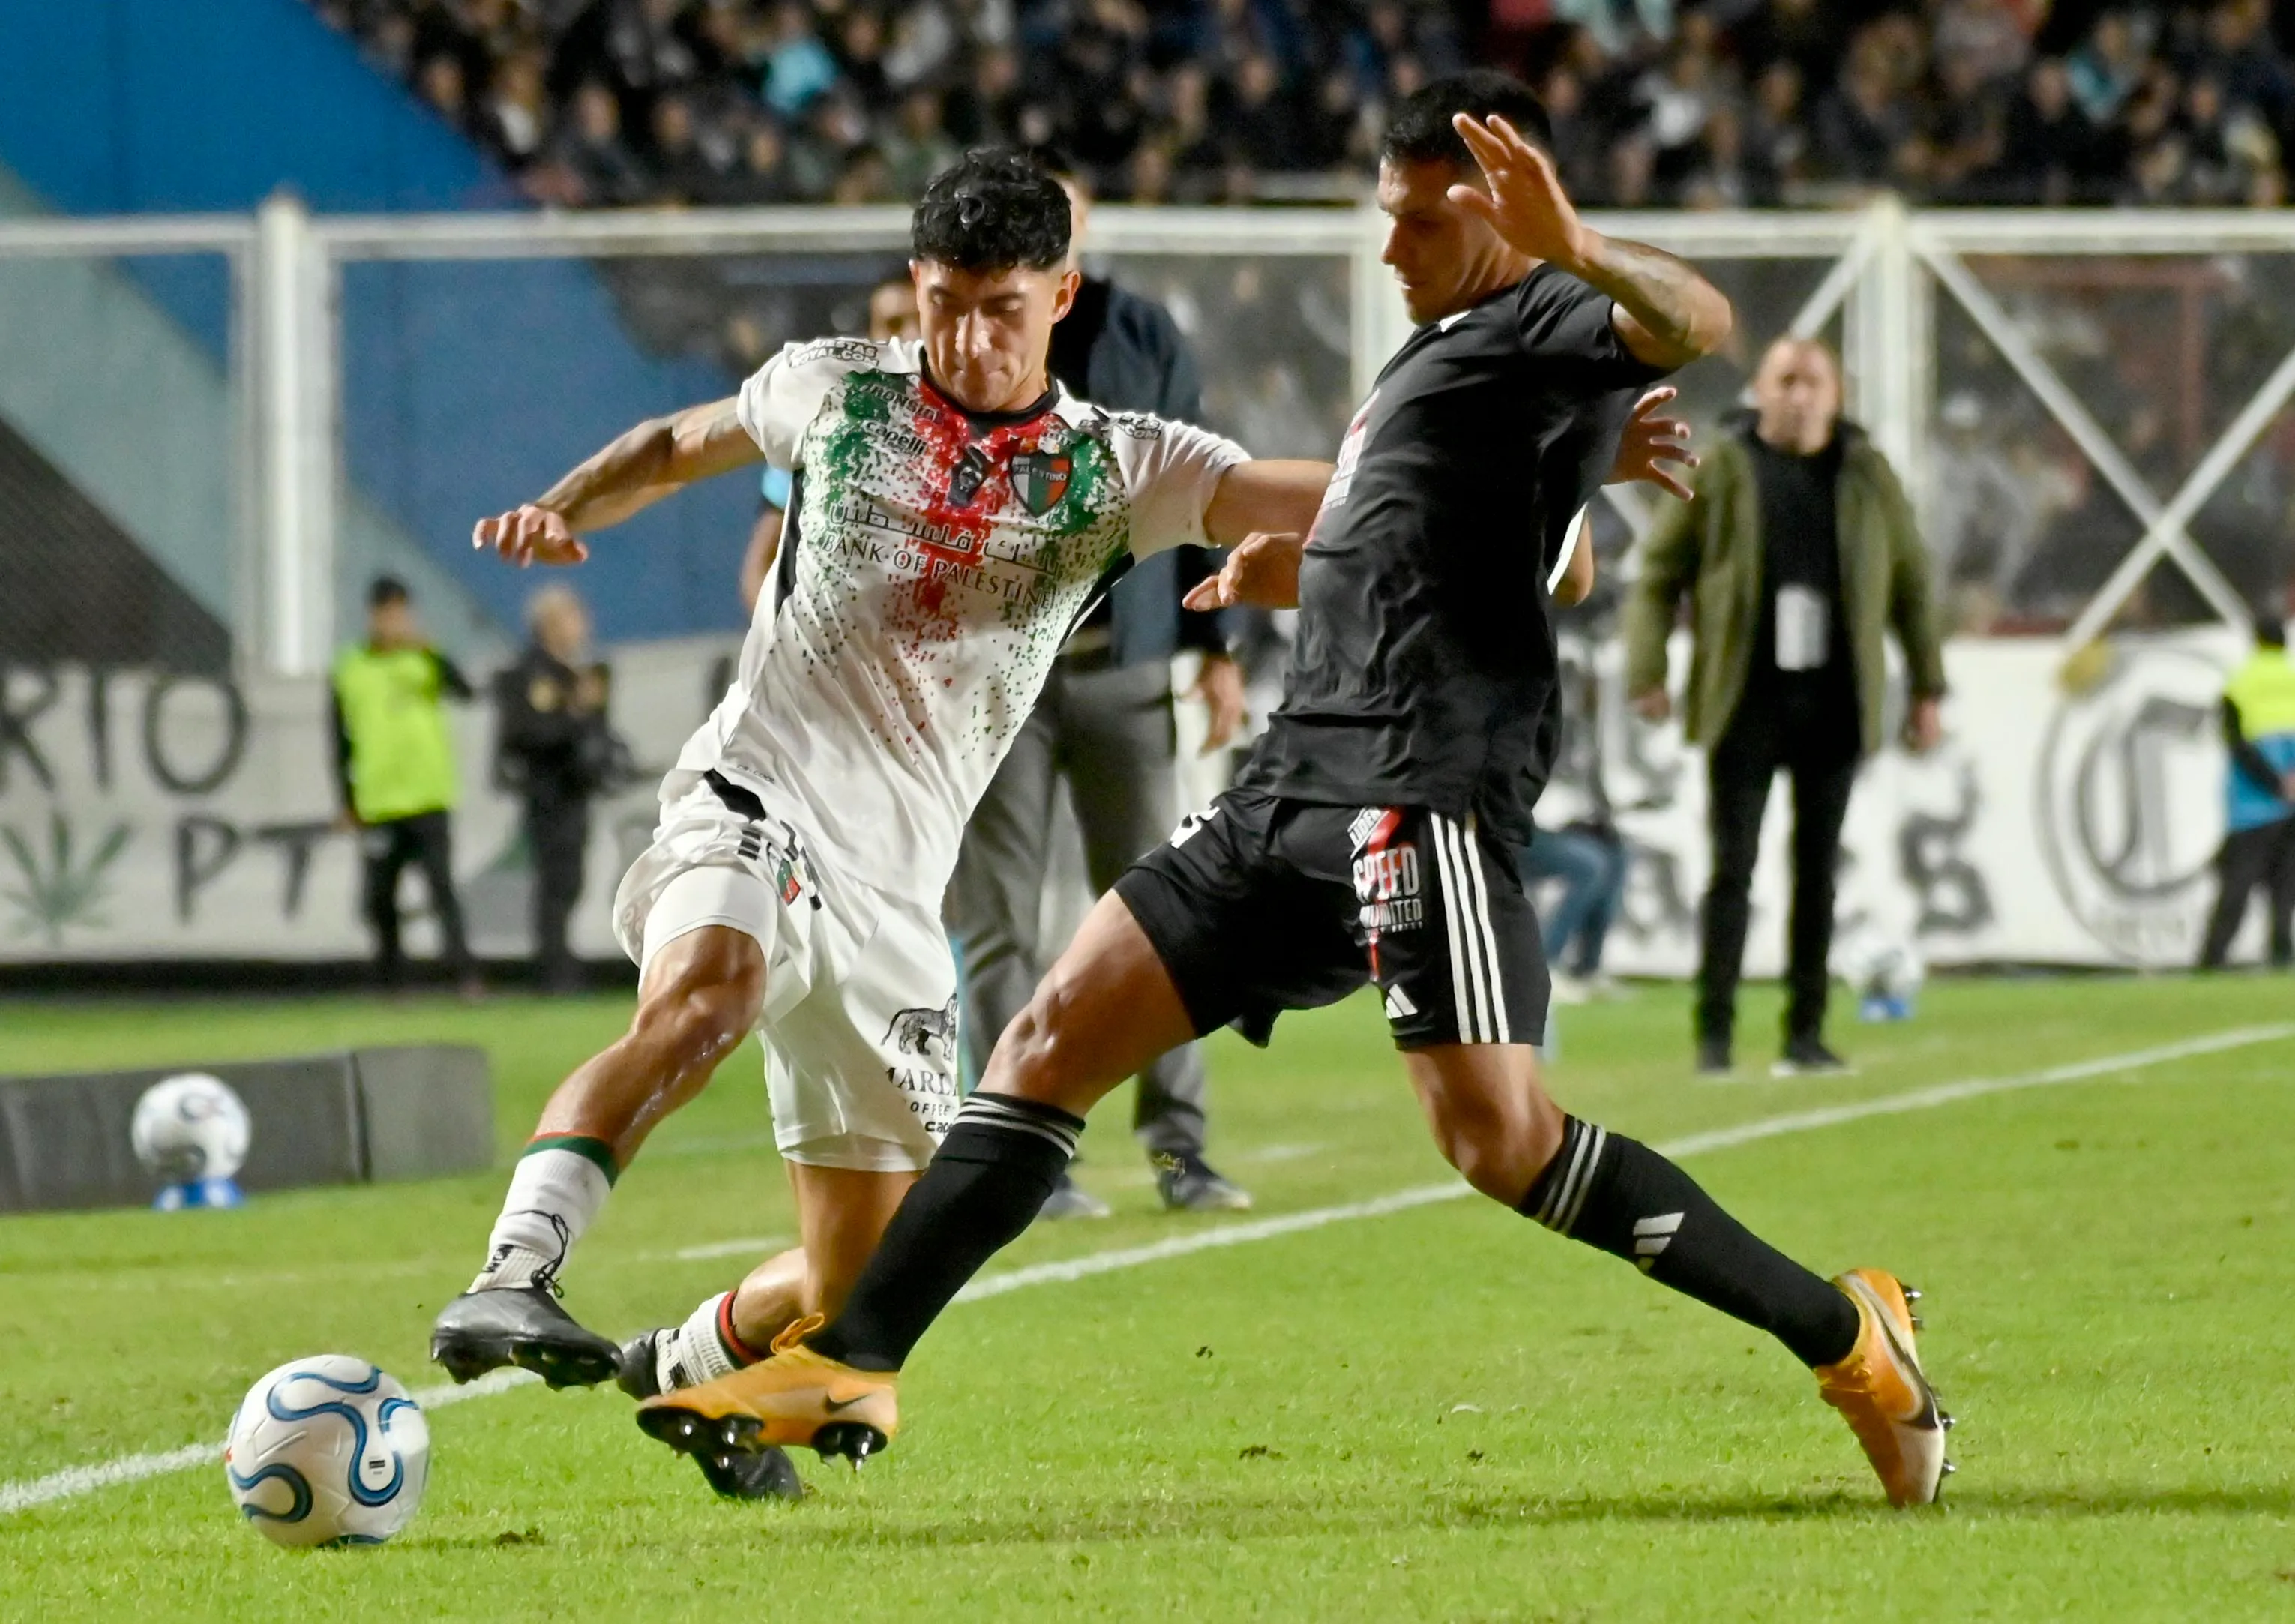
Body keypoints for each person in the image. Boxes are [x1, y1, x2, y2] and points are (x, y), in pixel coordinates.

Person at [640, 75, 1954, 1515]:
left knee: (1499, 1143)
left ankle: (1848, 1337)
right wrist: (1305, 570)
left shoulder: (1550, 317)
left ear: (1503, 213)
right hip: (1291, 781)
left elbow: (1697, 323)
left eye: (1416, 222)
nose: (1387, 250)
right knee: (1049, 1035)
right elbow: (1481, 536)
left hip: (1421, 787)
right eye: (1382, 217)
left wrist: (1575, 245)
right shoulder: (1437, 353)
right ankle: (858, 1352)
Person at [427, 151, 1339, 1500]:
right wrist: (567, 508)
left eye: (1003, 310)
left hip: (895, 896)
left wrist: (1504, 515)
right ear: (918, 288)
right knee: (704, 998)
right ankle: (514, 1272)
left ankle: (674, 1360)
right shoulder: (839, 389)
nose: (968, 339)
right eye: (945, 302)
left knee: (873, 1264)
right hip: (758, 796)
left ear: (1062, 297)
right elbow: (683, 441)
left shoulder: (1115, 467)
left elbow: (1303, 494)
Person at [945, 145, 1251, 1219]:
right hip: (997, 682)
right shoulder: (960, 336)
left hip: (1120, 669)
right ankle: (1026, 1165)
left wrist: (1216, 644)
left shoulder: (1141, 332)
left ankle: (1180, 1151)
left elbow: (1206, 474)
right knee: (997, 926)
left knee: (1160, 914)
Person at [1623, 337, 1946, 1079]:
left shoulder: (1866, 473)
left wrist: (1927, 687)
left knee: (1818, 870)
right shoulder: (1722, 467)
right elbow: (1658, 573)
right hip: (1746, 695)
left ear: (1837, 394)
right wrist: (1648, 667)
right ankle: (1715, 1035)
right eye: (1785, 381)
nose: (1799, 396)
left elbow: (1910, 582)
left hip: (1833, 697)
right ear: (1759, 391)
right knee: (1731, 869)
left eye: (1813, 382)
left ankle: (1805, 1032)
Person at [330, 577, 481, 997]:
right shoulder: (351, 667)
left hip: (428, 796)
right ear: (373, 616)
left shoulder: (424, 659)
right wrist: (347, 800)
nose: (395, 621)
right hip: (379, 802)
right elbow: (338, 739)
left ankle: (463, 976)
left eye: (401, 612)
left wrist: (431, 649)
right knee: (380, 900)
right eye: (387, 613)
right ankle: (392, 982)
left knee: (441, 893)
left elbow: (466, 691)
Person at [739, 276, 922, 616]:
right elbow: (759, 565)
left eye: (923, 319)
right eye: (894, 324)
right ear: (870, 337)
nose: (911, 336)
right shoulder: (819, 430)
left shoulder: (991, 434)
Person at [494, 584, 622, 993]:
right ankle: (553, 971)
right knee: (555, 880)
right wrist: (576, 714)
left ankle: (560, 961)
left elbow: (596, 732)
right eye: (573, 617)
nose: (582, 626)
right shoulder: (531, 674)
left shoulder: (580, 672)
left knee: (571, 879)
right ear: (549, 625)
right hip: (548, 792)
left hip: (577, 790)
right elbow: (525, 734)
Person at [2198, 610, 2295, 969]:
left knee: (2237, 886)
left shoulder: (2240, 683)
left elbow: (2236, 743)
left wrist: (2273, 783)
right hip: (2292, 806)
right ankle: (2282, 957)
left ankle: (2213, 959)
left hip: (2252, 804)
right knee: (2284, 889)